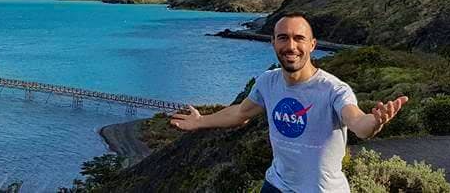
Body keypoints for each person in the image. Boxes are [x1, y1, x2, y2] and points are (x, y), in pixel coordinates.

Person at [170, 12, 407, 193]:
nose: (291, 46)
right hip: (276, 185)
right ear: (273, 42)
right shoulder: (267, 82)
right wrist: (200, 121)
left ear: (312, 45)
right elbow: (240, 113)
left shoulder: (334, 89)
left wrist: (374, 122)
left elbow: (357, 123)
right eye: (283, 38)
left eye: (299, 38)